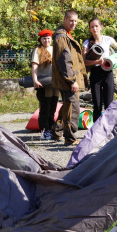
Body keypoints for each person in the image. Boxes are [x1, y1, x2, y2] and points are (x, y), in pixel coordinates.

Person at [51, 10, 88, 146]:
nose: (74, 23)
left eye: (76, 21)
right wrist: (72, 80)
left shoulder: (66, 35)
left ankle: (57, 131)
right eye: (71, 20)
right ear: (64, 19)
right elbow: (65, 61)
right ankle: (70, 137)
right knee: (72, 108)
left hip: (67, 80)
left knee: (67, 106)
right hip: (68, 81)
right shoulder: (62, 37)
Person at [82, 17, 117, 122]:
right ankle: (95, 132)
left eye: (96, 26)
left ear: (101, 27)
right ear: (89, 29)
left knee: (109, 104)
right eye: (92, 27)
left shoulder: (108, 39)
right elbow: (83, 61)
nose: (94, 29)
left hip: (108, 73)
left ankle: (108, 130)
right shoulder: (87, 43)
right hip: (95, 73)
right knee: (97, 105)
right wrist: (97, 62)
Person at [31, 29, 59, 140]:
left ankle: (52, 129)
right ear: (40, 39)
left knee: (53, 107)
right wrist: (35, 80)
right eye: (44, 38)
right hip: (43, 84)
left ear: (51, 39)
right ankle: (44, 130)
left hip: (55, 84)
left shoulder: (54, 49)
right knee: (45, 108)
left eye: (48, 38)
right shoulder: (37, 50)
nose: (46, 40)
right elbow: (34, 66)